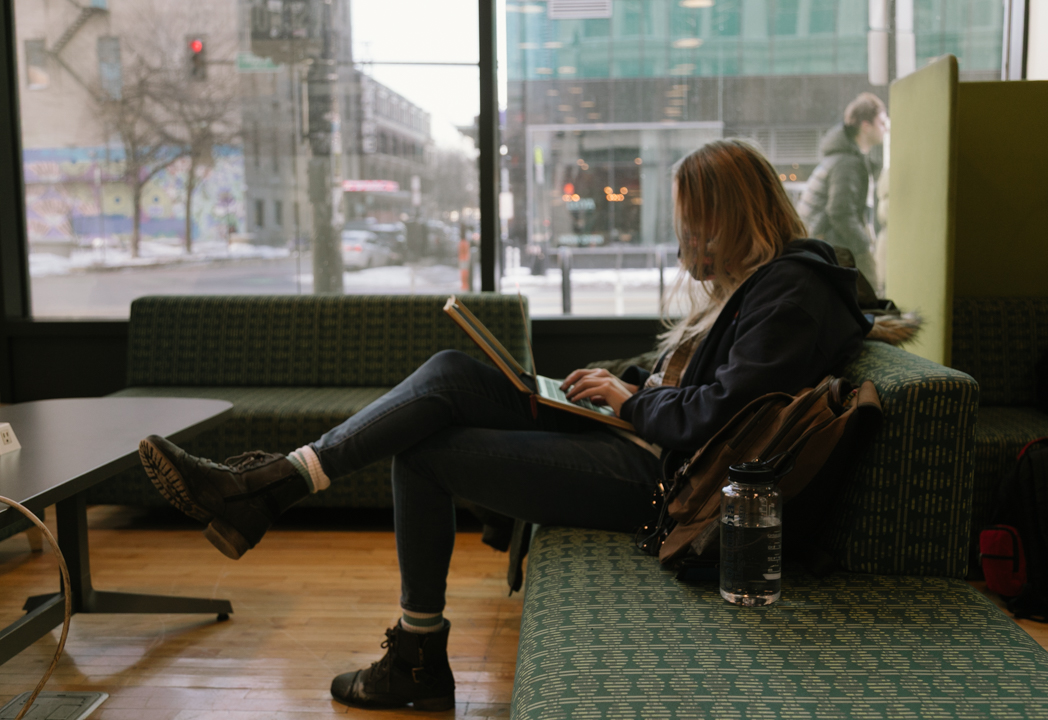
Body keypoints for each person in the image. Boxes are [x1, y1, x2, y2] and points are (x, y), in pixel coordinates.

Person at [138, 139, 872, 712]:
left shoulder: (791, 293)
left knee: (424, 450)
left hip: (667, 485)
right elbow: (710, 386)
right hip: (648, 444)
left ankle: (407, 650)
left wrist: (629, 400)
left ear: (727, 217)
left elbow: (720, 416)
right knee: (453, 370)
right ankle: (279, 480)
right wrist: (626, 387)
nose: (687, 243)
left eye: (693, 225)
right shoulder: (770, 285)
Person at [797, 92, 889, 291]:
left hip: (821, 243)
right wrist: (864, 247)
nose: (886, 128)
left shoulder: (842, 157)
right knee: (869, 291)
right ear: (866, 126)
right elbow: (840, 212)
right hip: (833, 244)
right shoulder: (847, 163)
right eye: (881, 123)